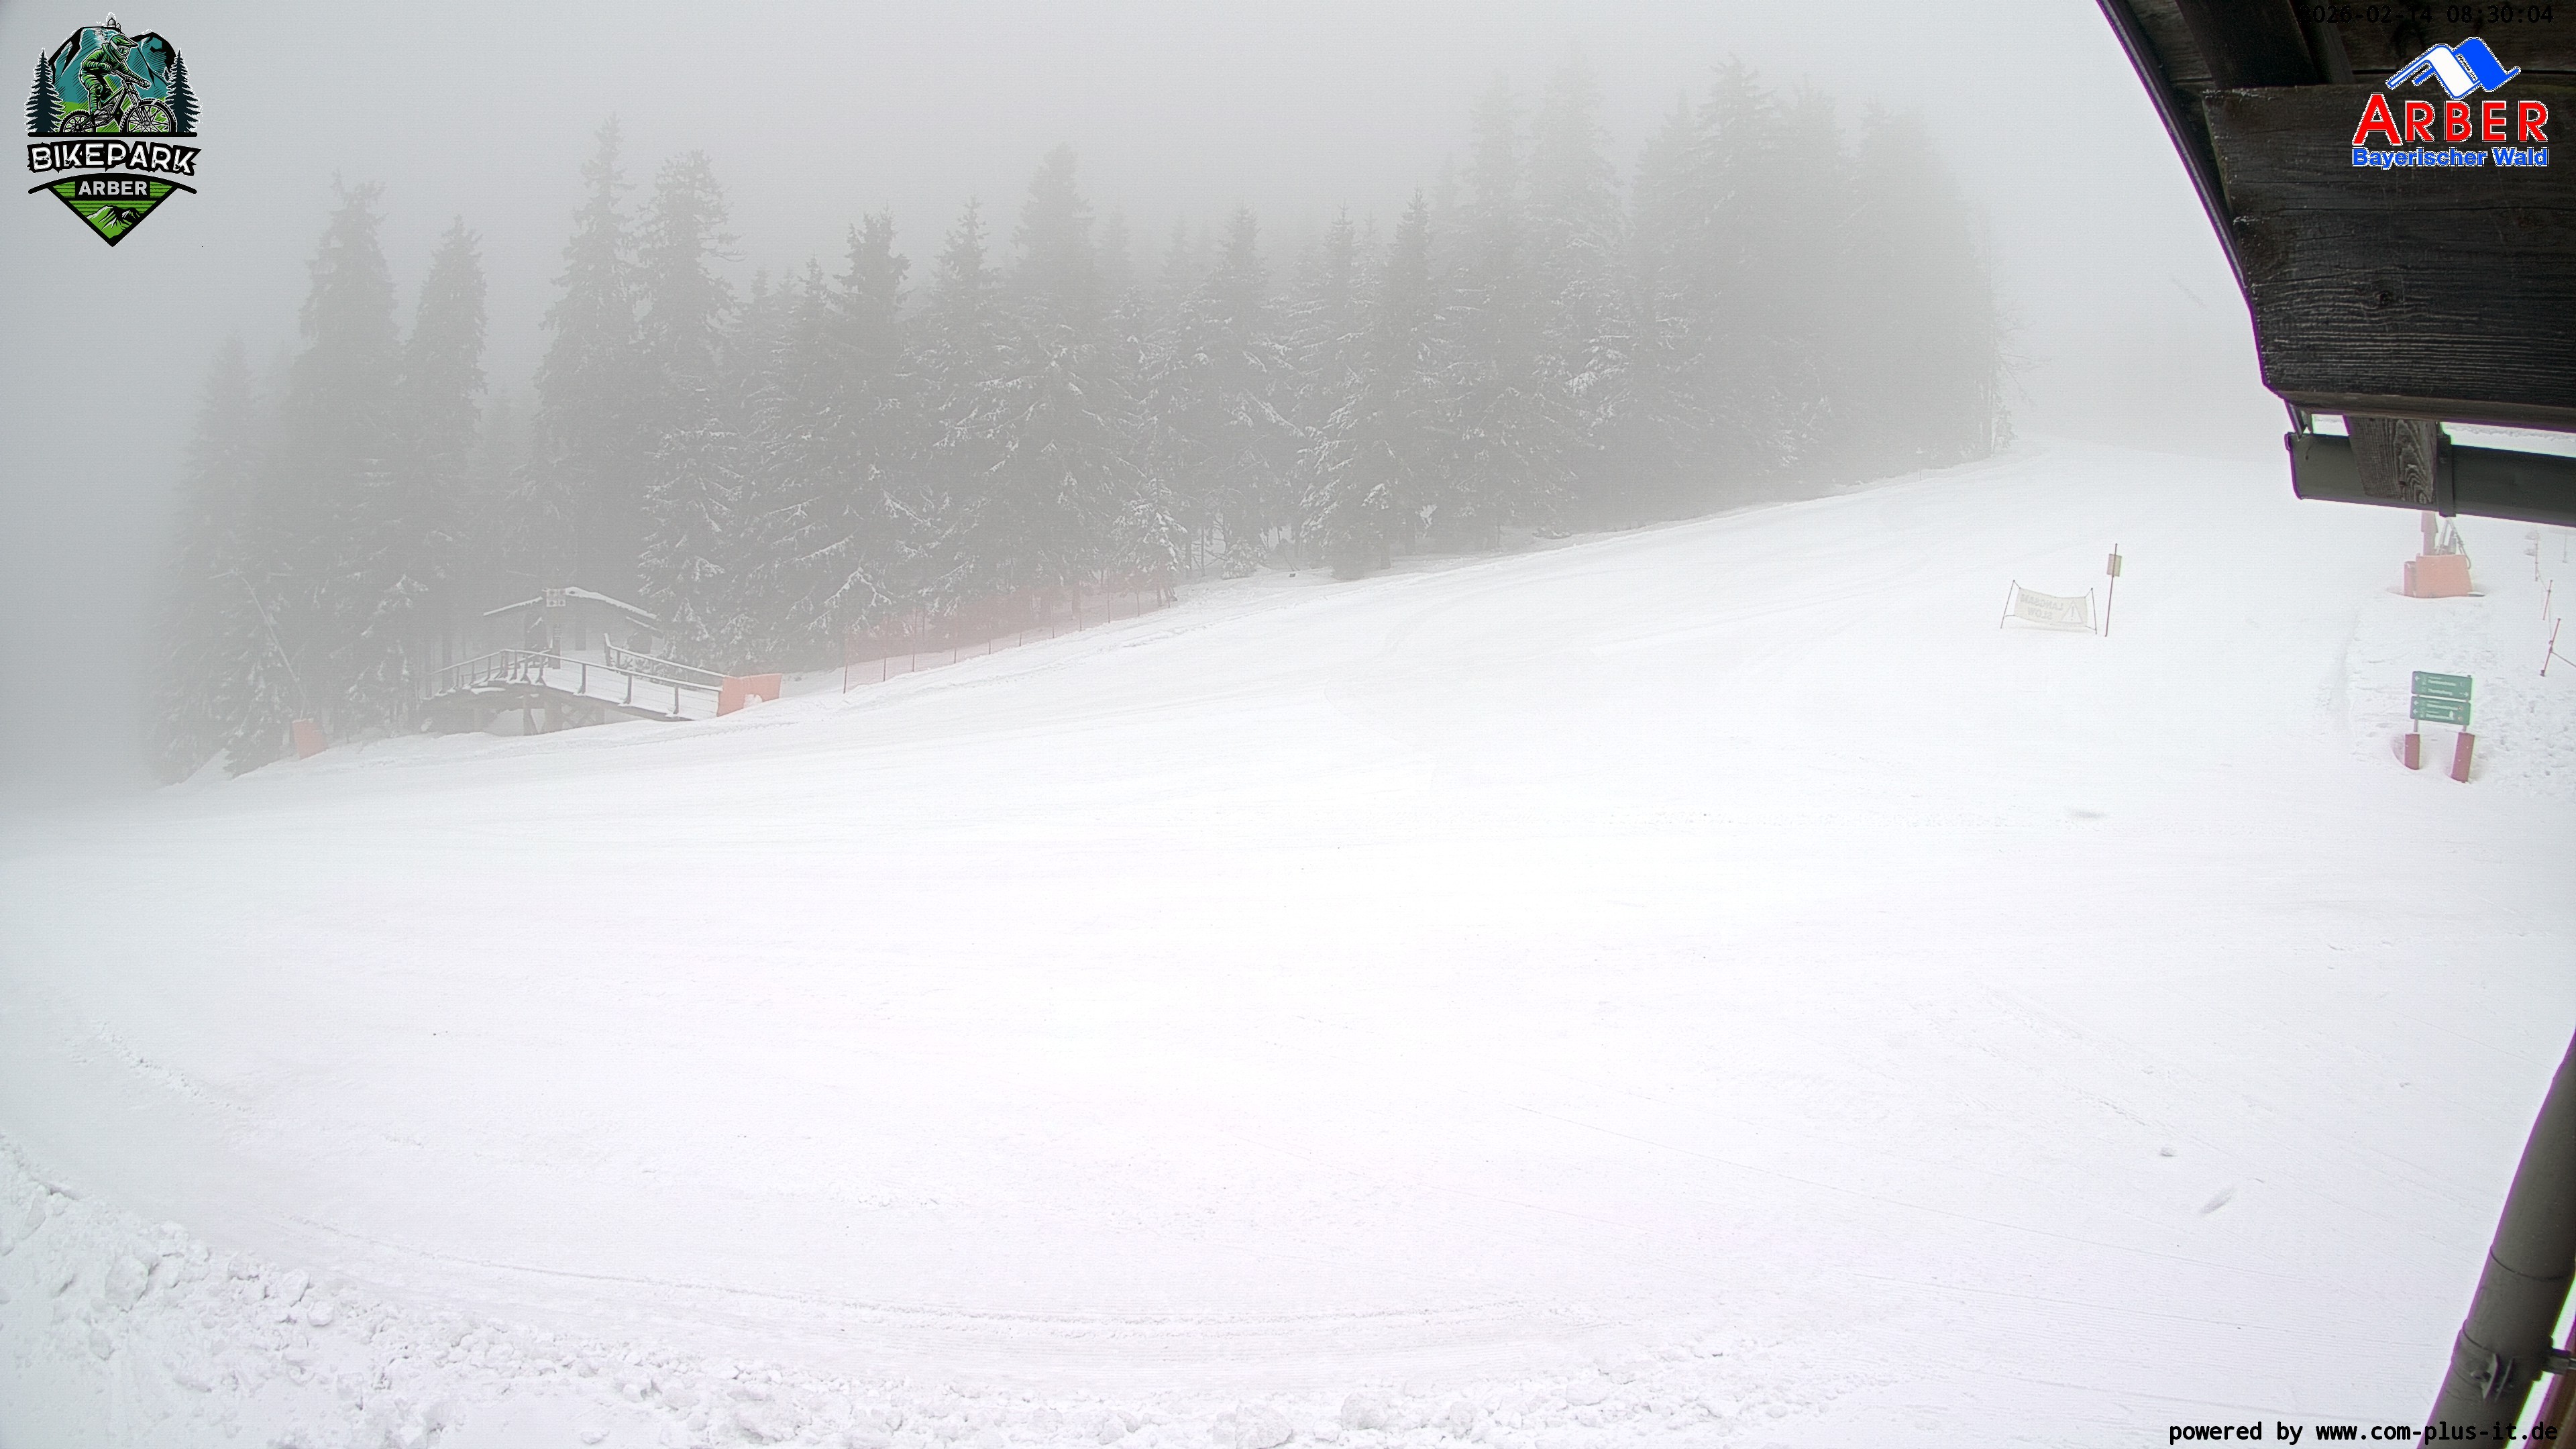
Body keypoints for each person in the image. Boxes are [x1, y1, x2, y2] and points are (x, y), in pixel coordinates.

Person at [78, 17, 147, 129]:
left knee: (114, 104)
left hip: (99, 76)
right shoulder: (101, 53)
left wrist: (140, 81)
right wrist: (101, 65)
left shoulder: (118, 62)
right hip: (88, 74)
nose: (125, 54)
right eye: (122, 50)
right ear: (114, 48)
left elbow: (128, 72)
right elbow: (85, 64)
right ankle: (94, 113)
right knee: (97, 87)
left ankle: (123, 128)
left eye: (127, 52)